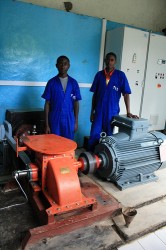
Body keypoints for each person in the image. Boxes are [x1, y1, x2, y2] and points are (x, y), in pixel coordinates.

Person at [88, 52, 139, 151]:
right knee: (94, 133)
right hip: (99, 110)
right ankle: (91, 156)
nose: (109, 62)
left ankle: (105, 155)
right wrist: (92, 112)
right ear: (104, 60)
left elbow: (126, 94)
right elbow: (95, 95)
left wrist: (128, 111)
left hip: (111, 111)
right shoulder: (99, 75)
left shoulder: (120, 75)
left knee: (109, 135)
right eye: (107, 59)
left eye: (111, 60)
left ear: (115, 62)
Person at [42, 55, 82, 140]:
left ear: (69, 65)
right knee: (54, 142)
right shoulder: (51, 83)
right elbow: (47, 104)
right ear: (56, 65)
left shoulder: (73, 83)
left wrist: (76, 122)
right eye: (60, 64)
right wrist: (47, 125)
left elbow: (76, 103)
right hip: (54, 118)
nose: (63, 66)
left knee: (68, 143)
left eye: (65, 64)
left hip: (69, 119)